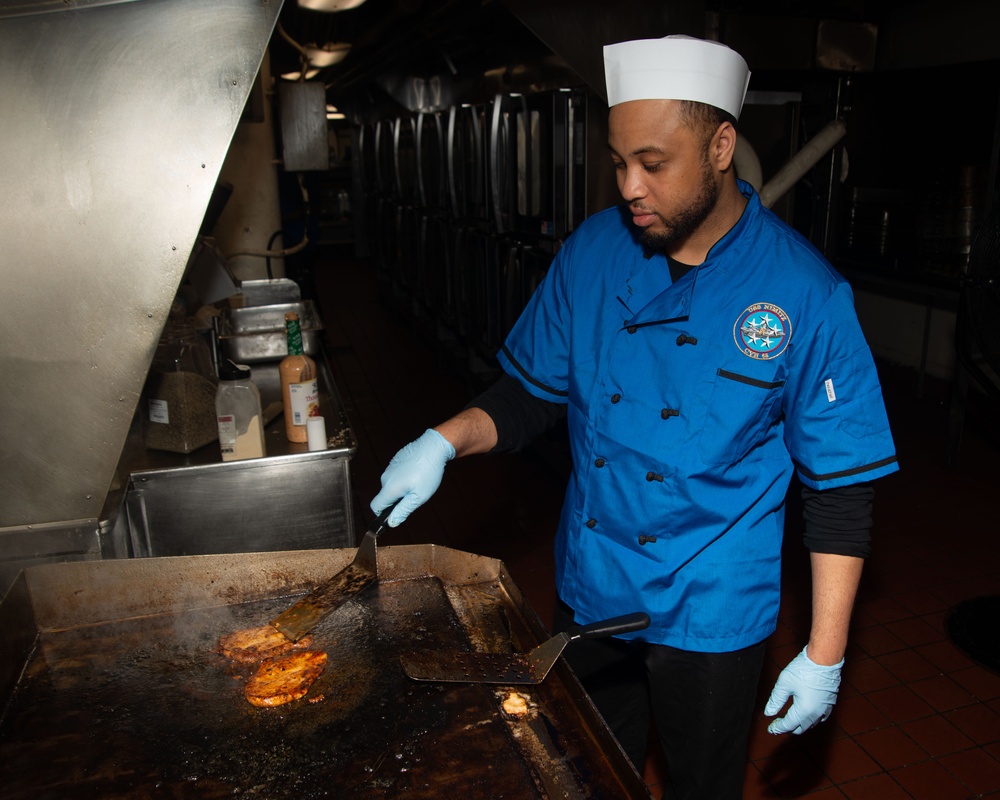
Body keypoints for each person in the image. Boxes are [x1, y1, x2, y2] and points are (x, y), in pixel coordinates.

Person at [371, 34, 899, 800]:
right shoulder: (593, 252)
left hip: (711, 606)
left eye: (654, 162)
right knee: (582, 770)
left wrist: (825, 653)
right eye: (619, 162)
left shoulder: (804, 294)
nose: (629, 186)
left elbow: (842, 492)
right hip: (595, 580)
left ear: (722, 146)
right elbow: (526, 395)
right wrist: (441, 442)